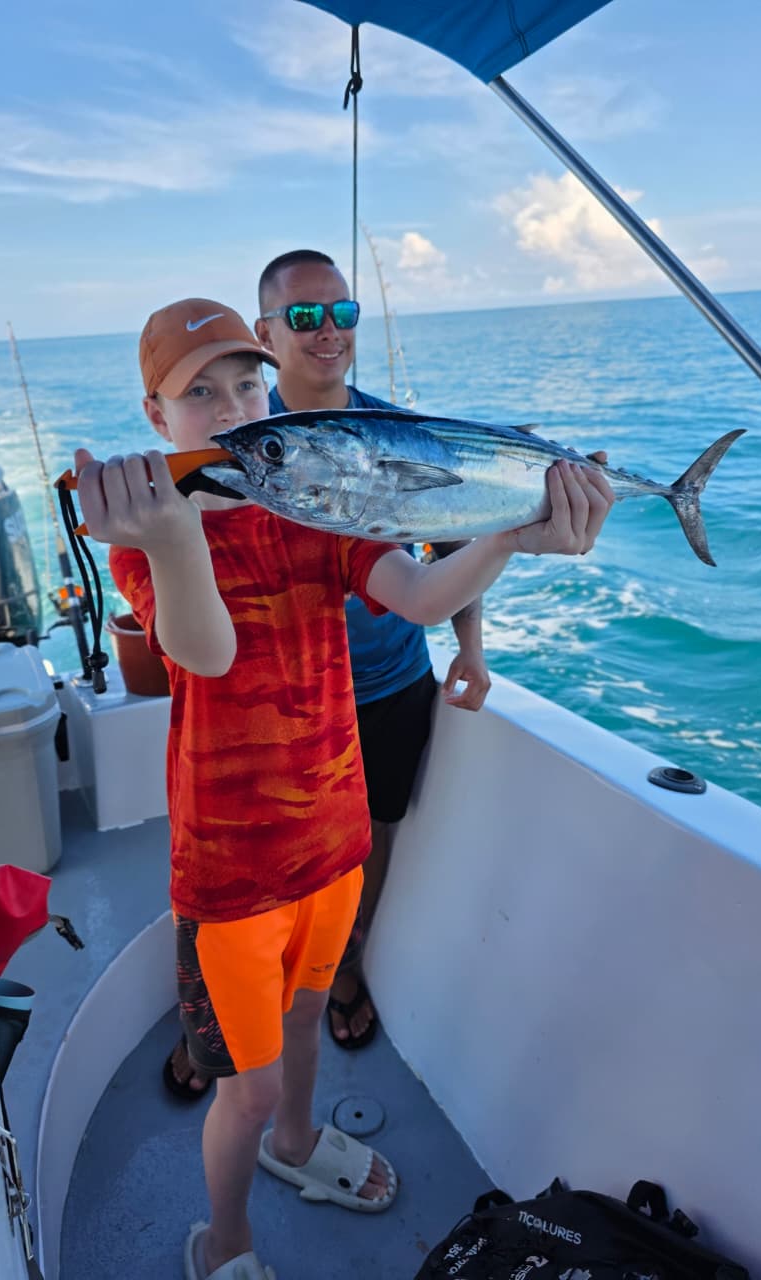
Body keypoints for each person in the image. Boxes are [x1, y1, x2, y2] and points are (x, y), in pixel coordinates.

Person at [74, 298, 613, 1279]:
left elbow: (416, 596)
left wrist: (504, 532)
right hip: (232, 874)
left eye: (245, 383)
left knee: (309, 1021)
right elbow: (207, 650)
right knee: (243, 1084)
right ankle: (224, 1240)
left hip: (335, 834)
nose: (232, 407)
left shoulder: (316, 503)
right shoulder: (147, 536)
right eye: (201, 393)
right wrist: (172, 532)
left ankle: (296, 1142)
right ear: (157, 418)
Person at [256, 248, 488, 1054]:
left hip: (391, 678)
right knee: (274, 842)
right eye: (306, 316)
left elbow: (455, 540)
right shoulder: (246, 450)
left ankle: (343, 966)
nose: (328, 332)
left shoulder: (399, 433)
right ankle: (240, 999)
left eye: (342, 314)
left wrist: (472, 648)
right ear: (267, 331)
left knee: (376, 830)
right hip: (284, 694)